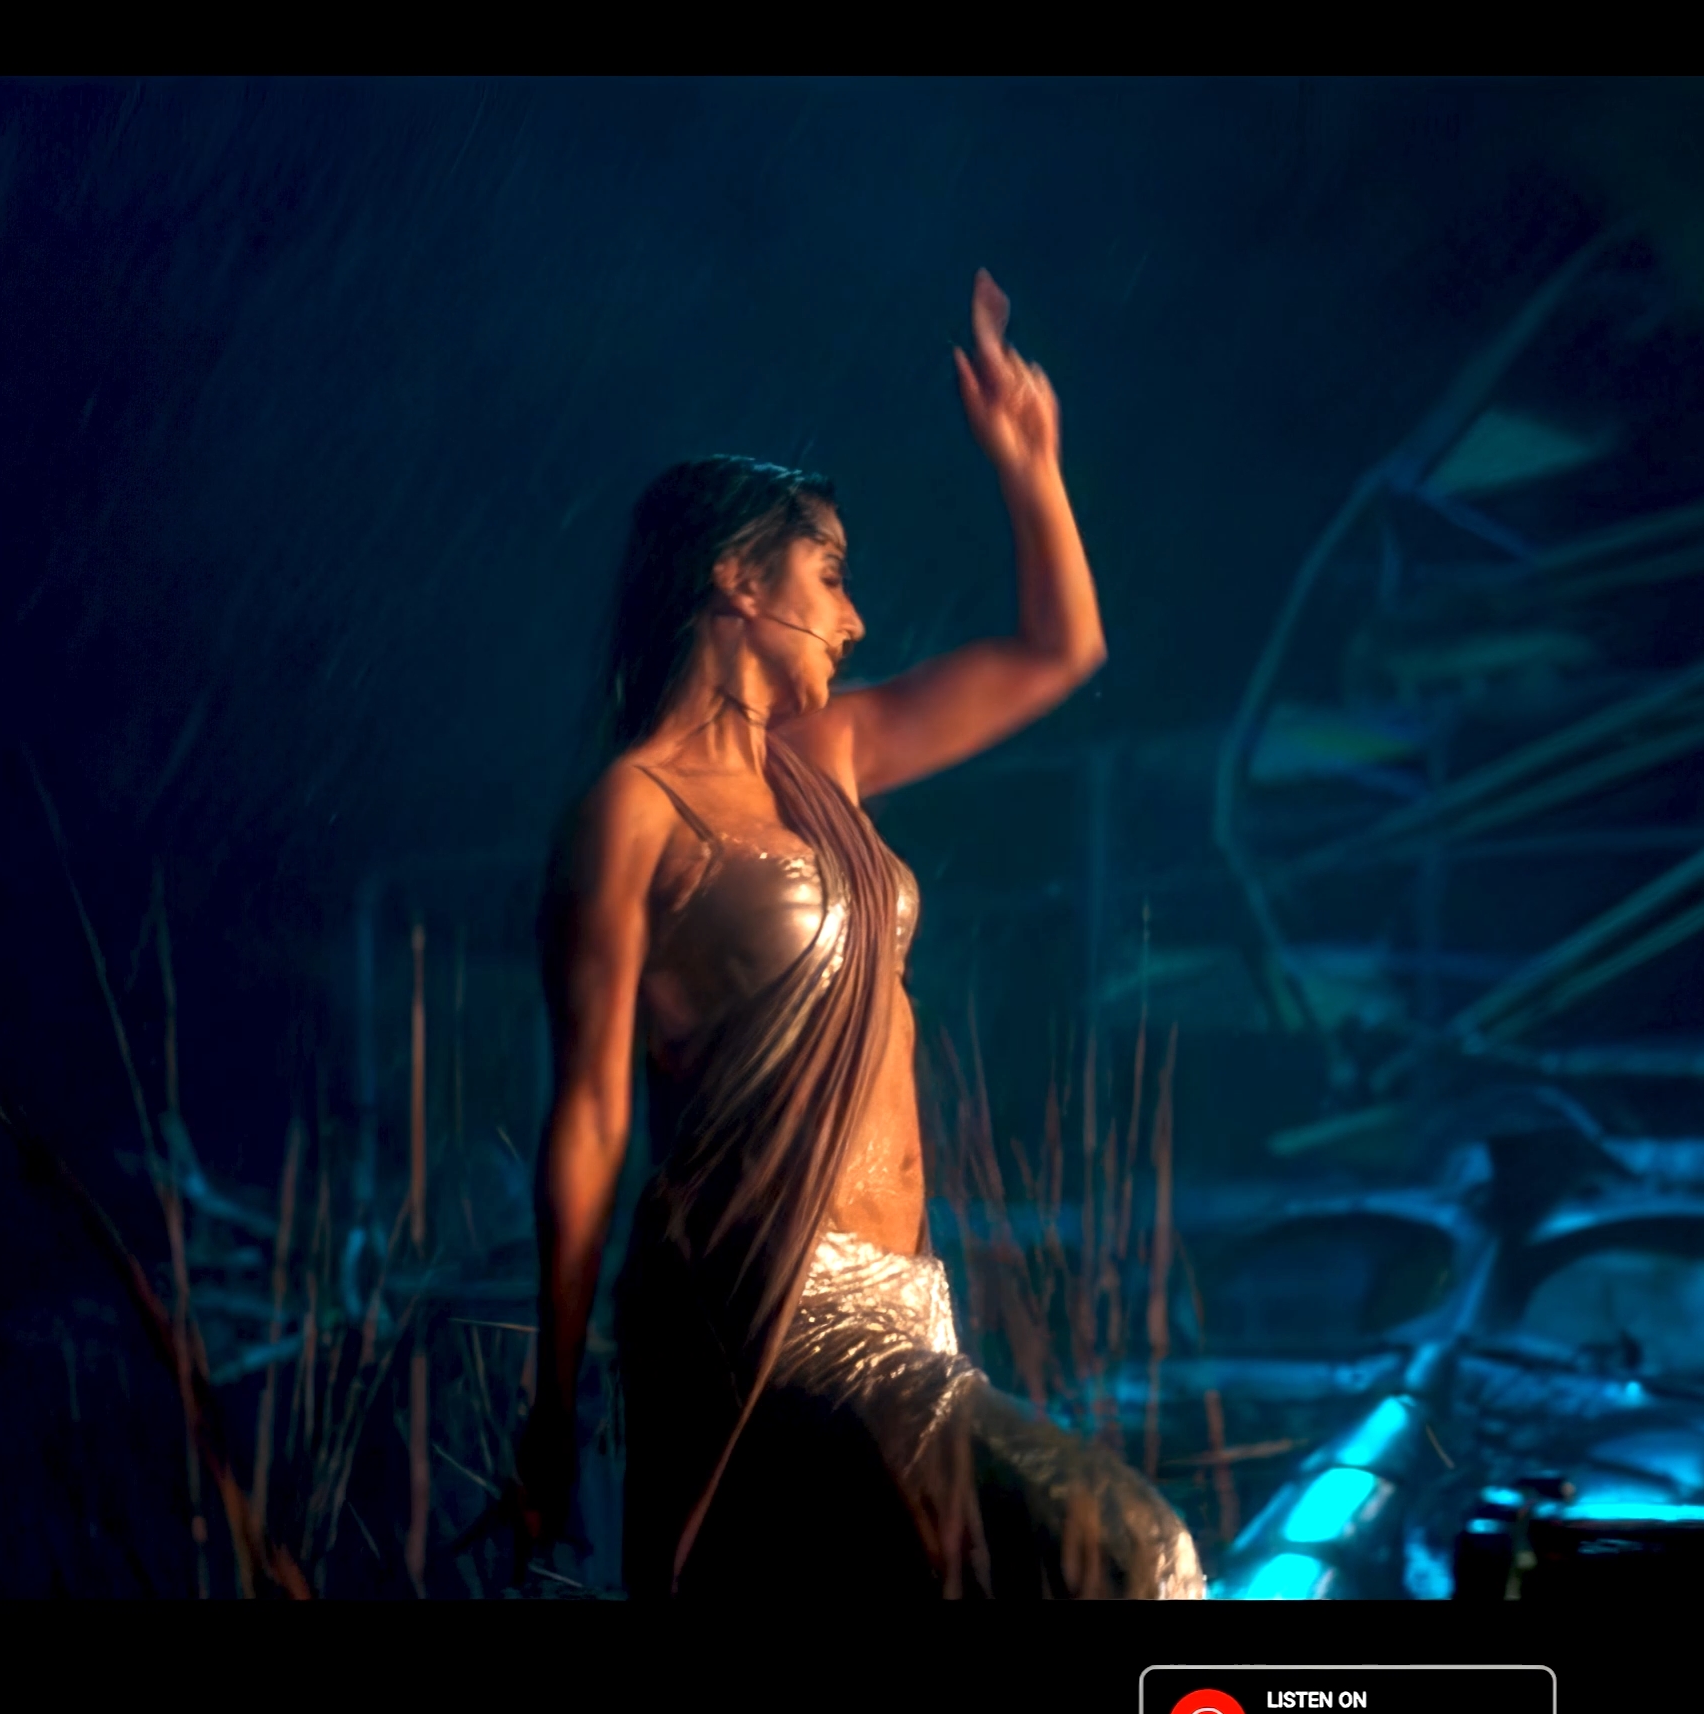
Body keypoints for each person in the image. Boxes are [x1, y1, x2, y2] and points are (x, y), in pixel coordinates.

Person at [511, 273, 1200, 1599]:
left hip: (910, 1305)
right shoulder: (630, 812)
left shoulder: (825, 757)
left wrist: (1030, 466)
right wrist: (554, 1402)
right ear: (736, 580)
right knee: (1130, 1555)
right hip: (767, 1309)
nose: (855, 617)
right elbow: (589, 1117)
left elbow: (1058, 651)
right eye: (829, 578)